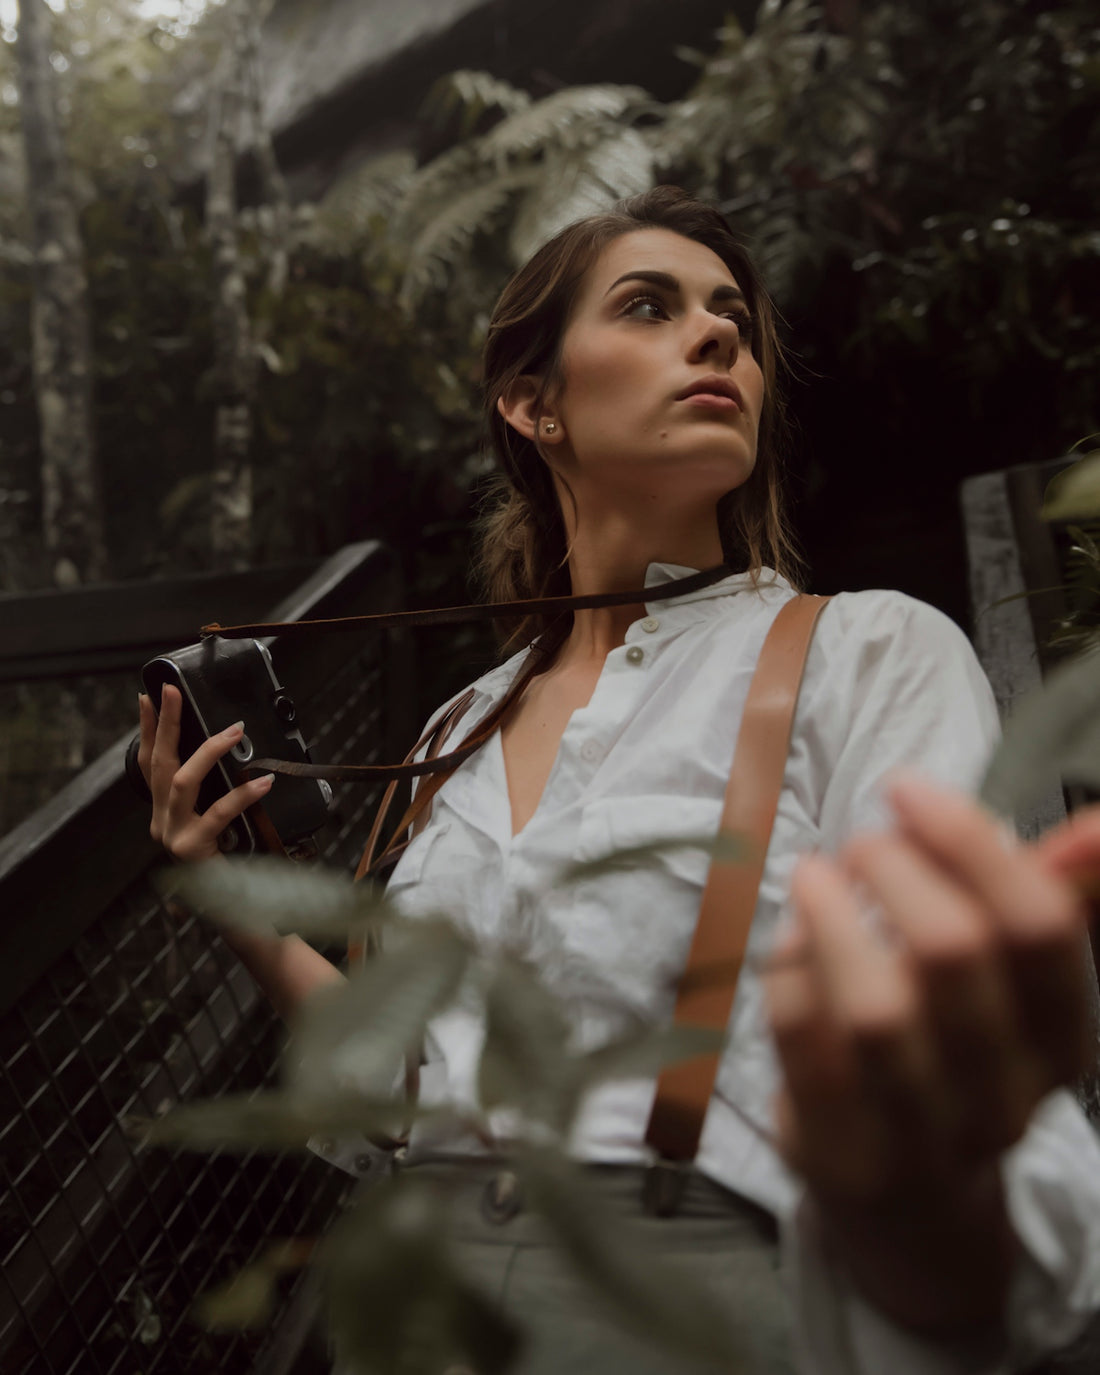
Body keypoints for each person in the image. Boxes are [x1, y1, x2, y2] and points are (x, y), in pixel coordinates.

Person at [137, 186, 1100, 1374]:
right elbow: (402, 1096)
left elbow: (963, 1083)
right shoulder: (457, 726)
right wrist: (231, 899)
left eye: (732, 319)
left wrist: (938, 1203)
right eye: (648, 306)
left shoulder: (866, 651)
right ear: (531, 402)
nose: (717, 338)